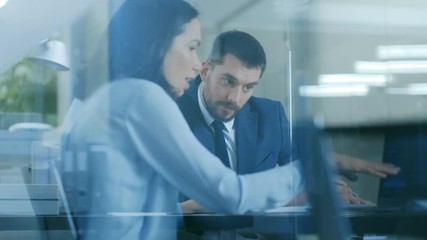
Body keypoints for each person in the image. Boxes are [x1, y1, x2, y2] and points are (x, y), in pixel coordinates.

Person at [62, 1, 304, 239]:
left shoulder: (105, 98)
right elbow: (231, 194)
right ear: (158, 43)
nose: (197, 63)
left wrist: (187, 207)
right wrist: (309, 171)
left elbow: (136, 210)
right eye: (191, 47)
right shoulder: (142, 98)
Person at [177, 30, 401, 212]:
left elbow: (304, 170)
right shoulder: (169, 114)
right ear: (205, 71)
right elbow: (179, 204)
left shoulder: (269, 114)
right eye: (228, 81)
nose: (235, 98)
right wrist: (289, 197)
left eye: (248, 87)